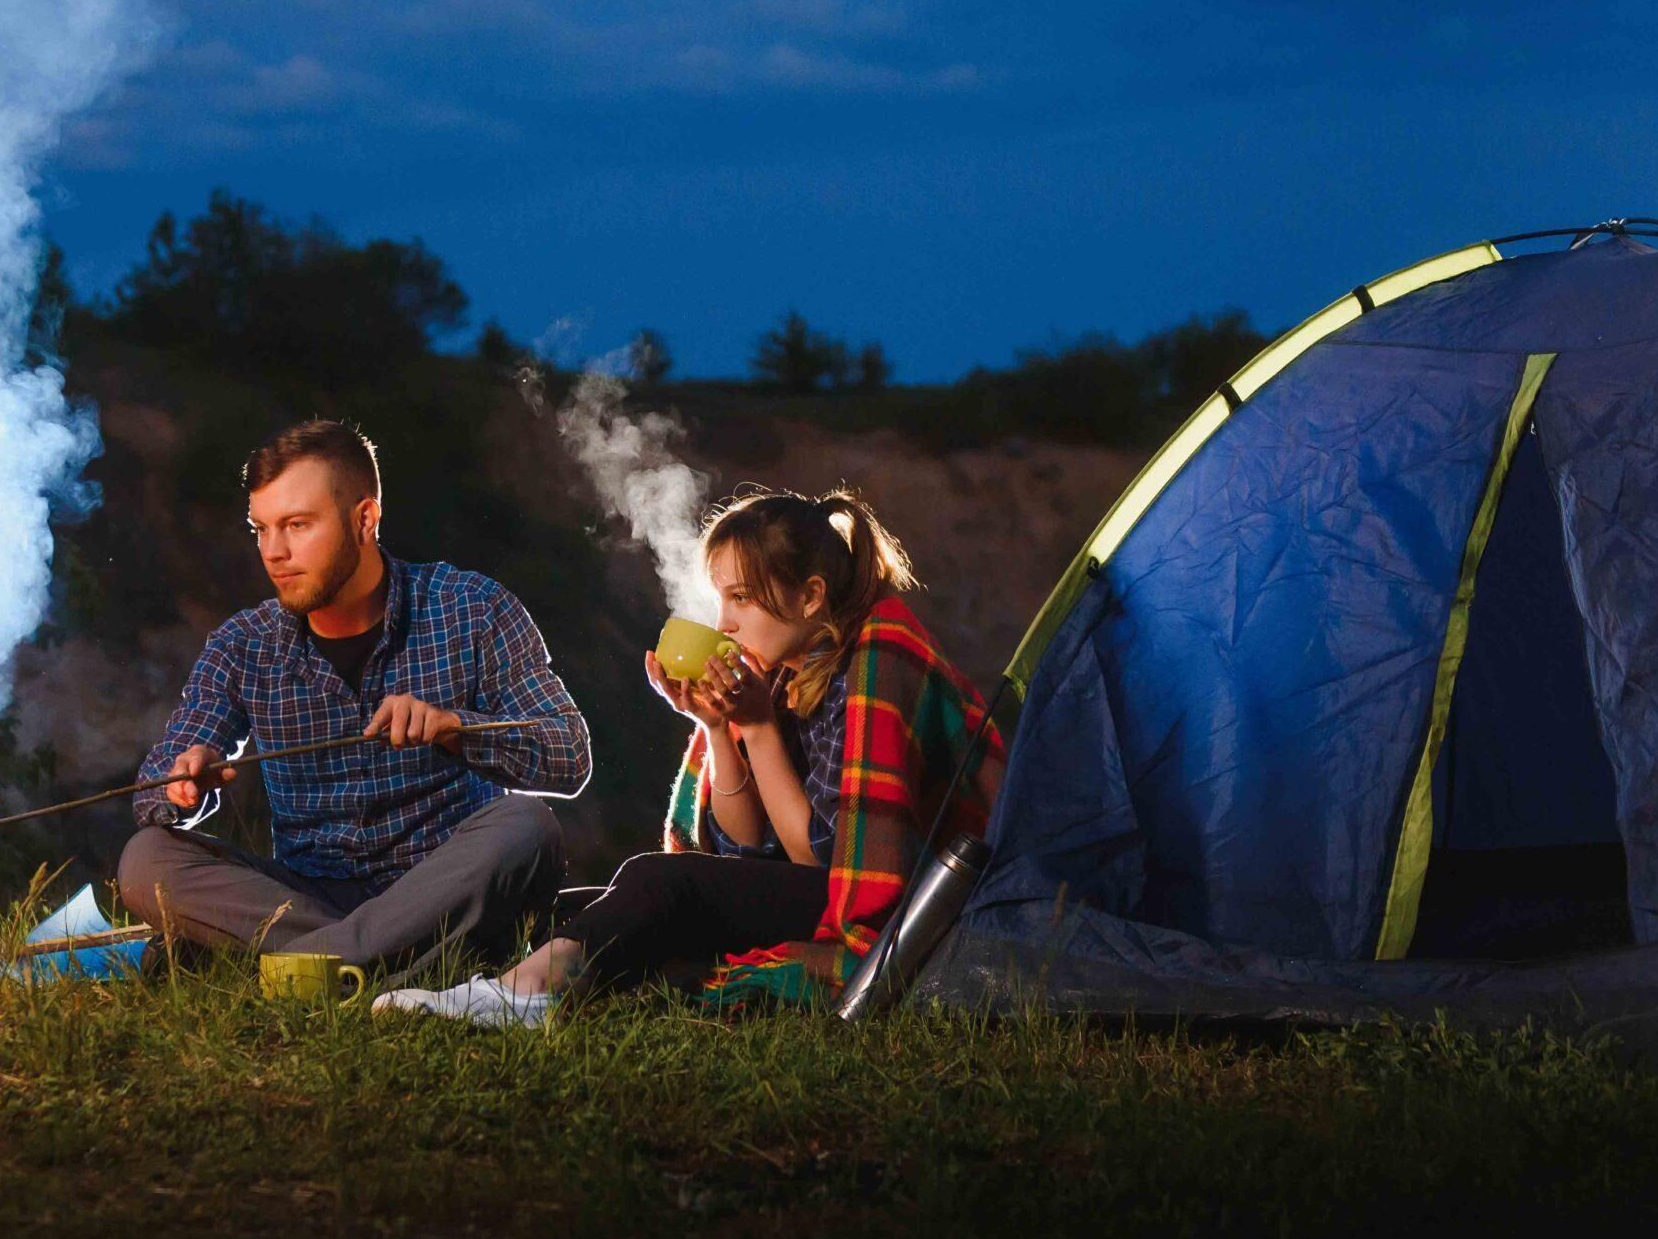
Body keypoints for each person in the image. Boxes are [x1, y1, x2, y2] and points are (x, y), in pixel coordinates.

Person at [376, 485, 1002, 1026]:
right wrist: (718, 727)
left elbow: (824, 861)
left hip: (903, 909)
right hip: (818, 889)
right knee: (581, 907)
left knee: (660, 883)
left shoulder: (875, 662)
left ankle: (524, 997)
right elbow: (744, 846)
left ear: (811, 596)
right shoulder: (781, 675)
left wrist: (756, 729)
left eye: (742, 598)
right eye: (721, 598)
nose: (724, 622)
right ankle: (500, 981)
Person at [113, 419, 592, 977]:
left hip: (444, 886)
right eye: (261, 529)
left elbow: (568, 755)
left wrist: (454, 729)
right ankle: (375, 961)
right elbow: (152, 797)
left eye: (297, 525)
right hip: (304, 895)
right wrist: (183, 781)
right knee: (146, 858)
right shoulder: (242, 644)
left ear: (365, 519)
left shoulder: (472, 607)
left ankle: (310, 961)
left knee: (527, 824)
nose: (274, 552)